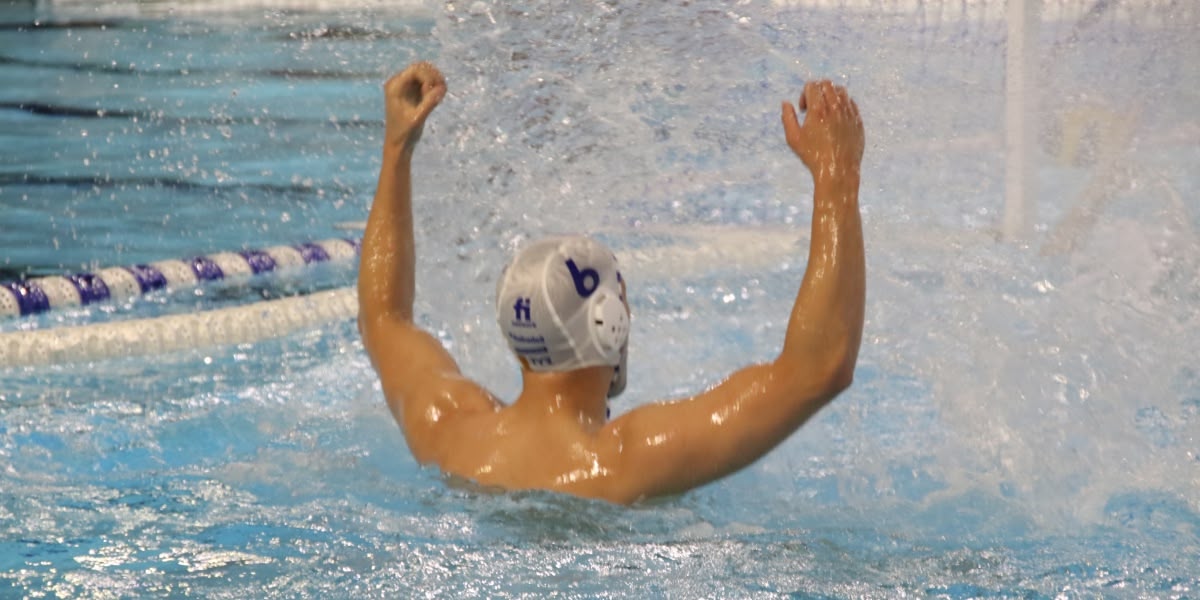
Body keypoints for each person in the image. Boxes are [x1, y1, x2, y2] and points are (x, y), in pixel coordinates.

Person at [357, 61, 865, 504]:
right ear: (610, 323)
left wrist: (397, 148)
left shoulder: (449, 432)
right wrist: (835, 175)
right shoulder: (625, 463)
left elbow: (383, 317)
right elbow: (818, 370)